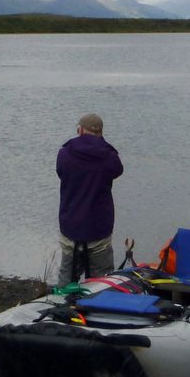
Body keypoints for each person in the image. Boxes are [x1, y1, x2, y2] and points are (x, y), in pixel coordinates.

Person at [56, 113, 123, 286]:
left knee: (66, 281)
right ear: (100, 133)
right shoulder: (109, 157)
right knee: (102, 284)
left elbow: (60, 172)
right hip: (98, 230)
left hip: (71, 228)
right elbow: (117, 170)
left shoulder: (64, 154)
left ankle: (62, 307)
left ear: (79, 130)